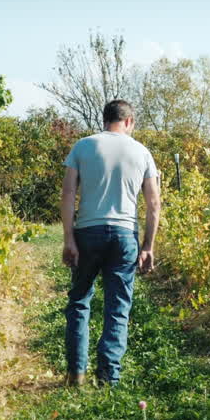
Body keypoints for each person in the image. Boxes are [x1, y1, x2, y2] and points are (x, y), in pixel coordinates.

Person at [61, 99, 161, 387]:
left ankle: (76, 373)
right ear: (128, 122)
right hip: (124, 235)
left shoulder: (83, 146)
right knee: (117, 306)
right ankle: (108, 378)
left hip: (88, 232)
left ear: (104, 119)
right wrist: (148, 246)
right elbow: (153, 203)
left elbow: (68, 194)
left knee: (80, 301)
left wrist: (69, 239)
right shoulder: (142, 152)